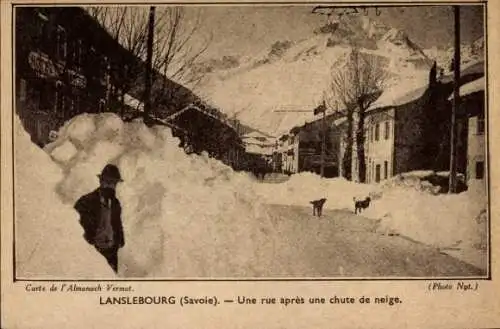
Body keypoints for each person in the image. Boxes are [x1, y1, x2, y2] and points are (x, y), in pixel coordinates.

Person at [74, 164, 125, 273]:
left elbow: (117, 223)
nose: (109, 186)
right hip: (93, 252)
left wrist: (120, 239)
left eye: (113, 183)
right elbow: (74, 225)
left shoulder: (115, 203)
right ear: (100, 181)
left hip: (111, 252)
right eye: (107, 182)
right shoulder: (85, 201)